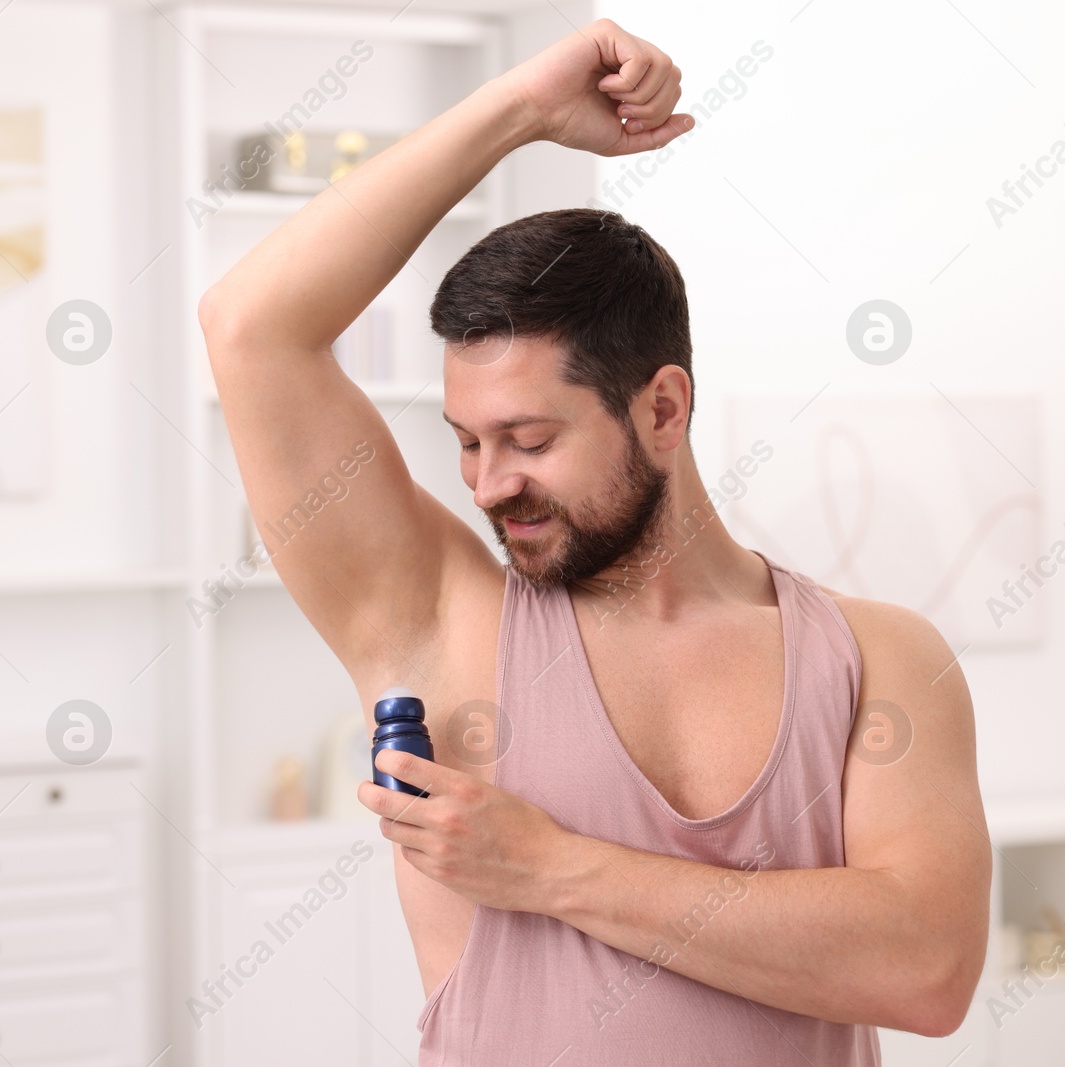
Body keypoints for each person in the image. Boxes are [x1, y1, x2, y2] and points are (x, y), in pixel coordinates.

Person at [197, 16, 991, 1067]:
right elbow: (250, 326)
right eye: (468, 442)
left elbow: (925, 970)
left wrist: (552, 867)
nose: (488, 484)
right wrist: (519, 110)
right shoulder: (437, 625)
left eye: (528, 439)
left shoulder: (878, 659)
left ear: (663, 409)